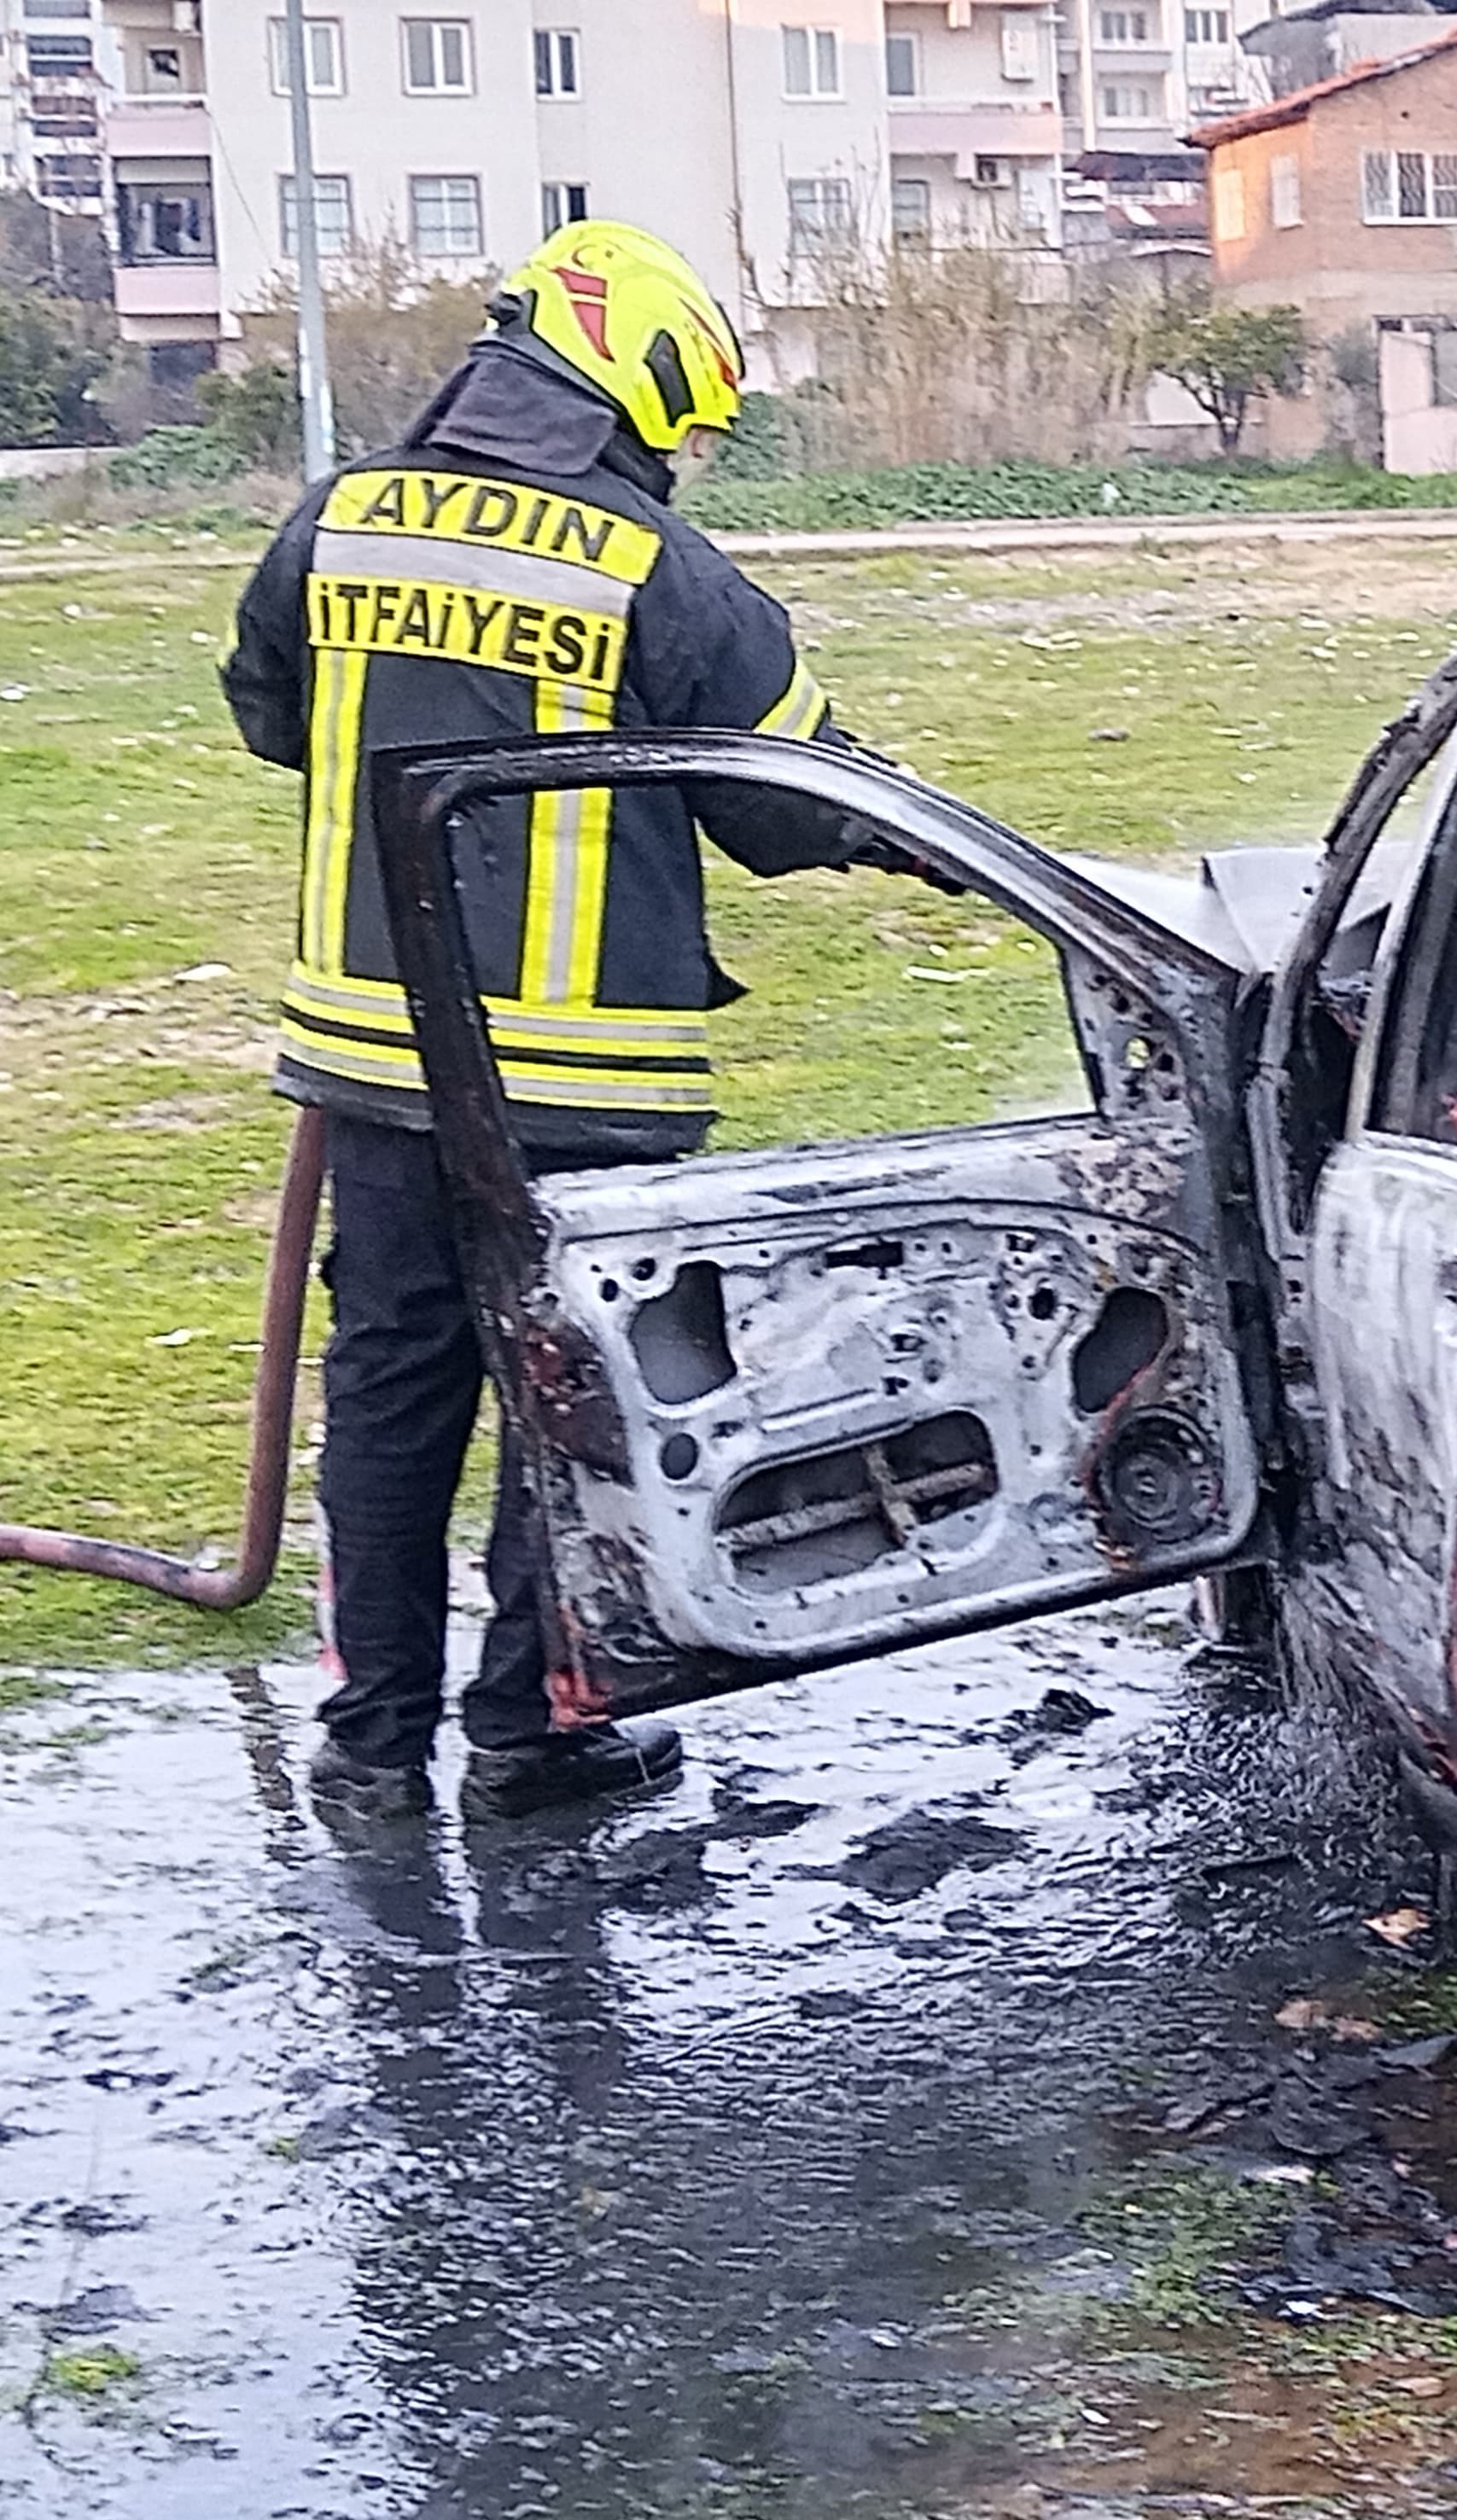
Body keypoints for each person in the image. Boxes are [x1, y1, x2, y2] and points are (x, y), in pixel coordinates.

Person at [223, 220, 871, 1828]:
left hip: (374, 1062)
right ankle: (530, 1730)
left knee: (387, 1394)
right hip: (584, 1084)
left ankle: (370, 1749)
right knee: (556, 1408)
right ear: (638, 389)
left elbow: (266, 709)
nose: (688, 460)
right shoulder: (650, 564)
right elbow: (789, 808)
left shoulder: (342, 517)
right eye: (688, 431)